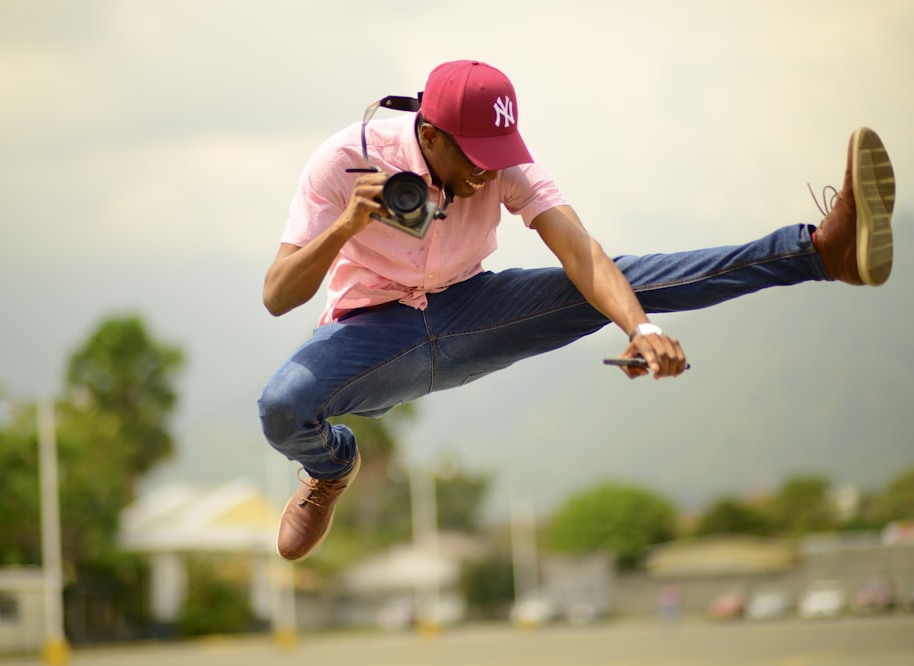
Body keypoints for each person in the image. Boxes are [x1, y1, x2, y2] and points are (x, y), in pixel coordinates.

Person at [258, 59, 895, 562]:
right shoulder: (344, 160)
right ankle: (330, 468)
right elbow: (278, 294)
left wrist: (638, 327)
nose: (489, 175)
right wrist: (345, 226)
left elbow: (579, 250)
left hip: (473, 310)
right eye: (476, 162)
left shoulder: (502, 160)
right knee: (282, 404)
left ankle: (821, 251)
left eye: (498, 156)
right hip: (373, 333)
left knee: (624, 278)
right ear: (430, 135)